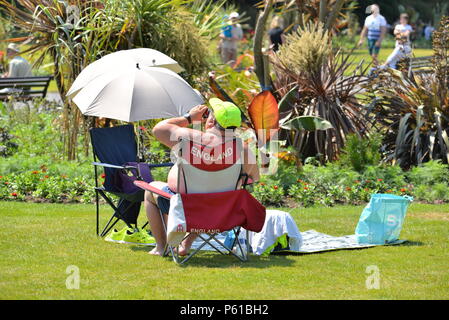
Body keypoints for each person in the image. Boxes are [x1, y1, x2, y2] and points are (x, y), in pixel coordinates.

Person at [144, 100, 260, 256]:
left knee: (150, 190)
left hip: (185, 208)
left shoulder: (190, 138)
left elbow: (159, 129)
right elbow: (254, 178)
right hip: (223, 210)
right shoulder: (244, 149)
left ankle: (161, 247)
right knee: (209, 193)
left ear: (211, 121)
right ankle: (186, 243)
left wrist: (190, 118)